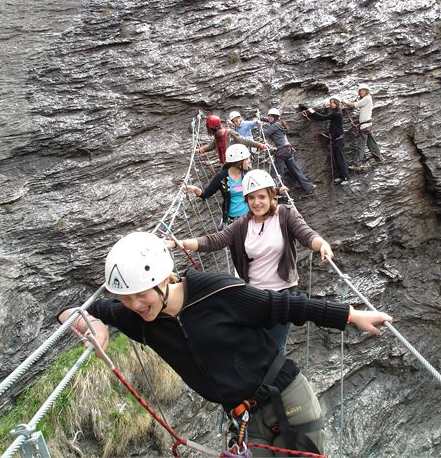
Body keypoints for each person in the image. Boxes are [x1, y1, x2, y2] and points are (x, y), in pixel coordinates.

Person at [58, 231, 392, 456]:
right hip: (242, 416)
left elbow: (286, 306)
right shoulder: (139, 319)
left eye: (139, 295)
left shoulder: (218, 291)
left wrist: (350, 315)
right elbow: (72, 311)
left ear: (162, 280)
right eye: (124, 299)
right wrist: (95, 326)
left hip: (287, 399)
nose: (133, 305)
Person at [167, 169, 332, 352]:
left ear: (271, 195)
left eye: (261, 196)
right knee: (252, 344)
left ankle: (276, 379)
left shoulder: (285, 215)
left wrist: (322, 244)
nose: (256, 202)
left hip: (283, 294)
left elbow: (306, 234)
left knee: (275, 348)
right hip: (254, 294)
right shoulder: (242, 225)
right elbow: (215, 240)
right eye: (251, 198)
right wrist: (178, 244)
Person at [187, 143, 252, 225]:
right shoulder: (222, 177)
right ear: (238, 162)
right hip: (232, 220)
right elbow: (205, 194)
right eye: (246, 159)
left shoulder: (248, 173)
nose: (249, 161)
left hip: (249, 216)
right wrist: (195, 189)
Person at [262, 108, 316, 195]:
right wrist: (261, 119)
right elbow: (268, 122)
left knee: (277, 172)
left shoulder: (274, 126)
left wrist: (258, 124)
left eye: (270, 116)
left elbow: (264, 134)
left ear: (275, 117)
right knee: (295, 170)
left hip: (281, 152)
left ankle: (278, 191)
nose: (268, 118)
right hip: (287, 150)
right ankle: (308, 186)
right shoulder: (279, 124)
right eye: (268, 116)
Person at [307, 98, 351, 185]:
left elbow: (324, 118)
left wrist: (313, 112)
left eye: (332, 103)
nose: (331, 104)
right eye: (330, 103)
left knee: (340, 159)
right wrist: (326, 108)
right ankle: (340, 176)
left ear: (337, 103)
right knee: (336, 159)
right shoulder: (335, 112)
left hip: (339, 140)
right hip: (336, 139)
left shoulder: (337, 113)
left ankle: (346, 178)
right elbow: (327, 116)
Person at [342, 83, 382, 170]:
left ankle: (357, 165)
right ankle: (379, 158)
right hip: (367, 125)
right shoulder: (367, 99)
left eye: (363, 90)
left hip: (365, 126)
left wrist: (346, 102)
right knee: (371, 143)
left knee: (361, 145)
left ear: (367, 91)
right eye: (360, 91)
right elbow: (358, 103)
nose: (361, 92)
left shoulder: (367, 98)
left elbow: (355, 105)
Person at [199, 115, 267, 164]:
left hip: (234, 163)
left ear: (213, 128)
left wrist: (259, 145)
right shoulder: (217, 136)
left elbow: (243, 140)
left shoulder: (229, 133)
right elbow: (212, 146)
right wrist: (201, 149)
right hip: (224, 164)